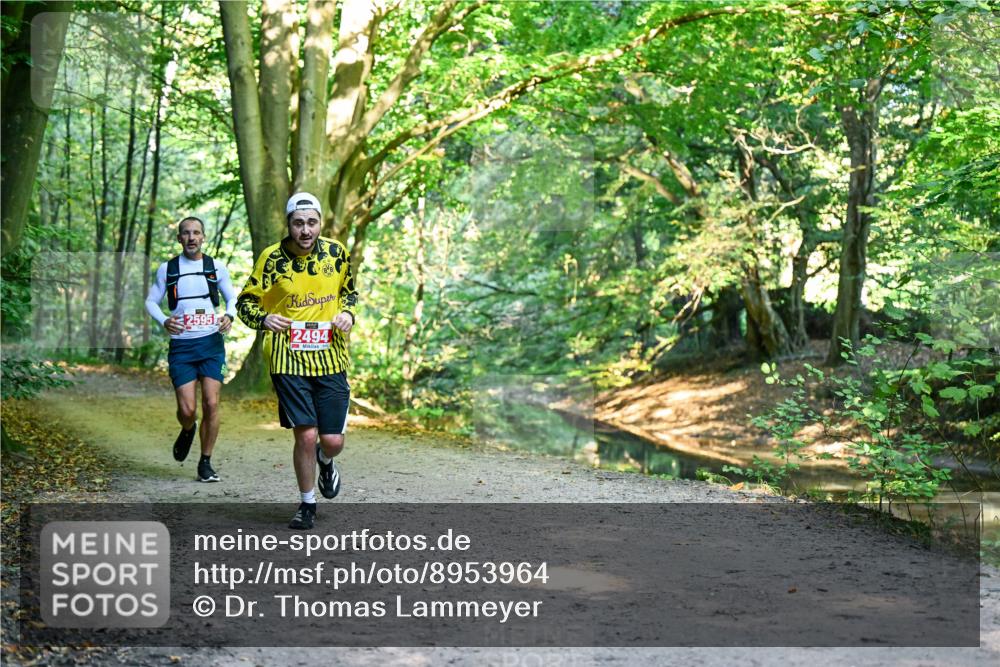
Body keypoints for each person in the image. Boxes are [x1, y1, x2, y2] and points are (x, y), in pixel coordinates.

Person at [236, 193, 358, 530]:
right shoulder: (272, 258)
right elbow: (246, 302)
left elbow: (349, 291)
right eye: (298, 223)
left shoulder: (336, 253)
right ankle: (307, 504)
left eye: (312, 222)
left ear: (320, 223)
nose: (305, 230)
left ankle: (325, 459)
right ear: (289, 225)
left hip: (331, 355)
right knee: (305, 434)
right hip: (287, 358)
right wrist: (264, 319)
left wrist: (347, 313)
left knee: (332, 441)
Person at [145, 216, 237, 483]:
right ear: (179, 238)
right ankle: (188, 428)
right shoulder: (168, 269)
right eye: (186, 233)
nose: (191, 237)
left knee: (211, 403)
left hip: (211, 344)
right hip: (182, 347)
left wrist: (229, 316)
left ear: (203, 237)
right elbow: (151, 301)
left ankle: (205, 462)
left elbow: (232, 297)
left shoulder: (215, 267)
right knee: (188, 411)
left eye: (196, 233)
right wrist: (164, 320)